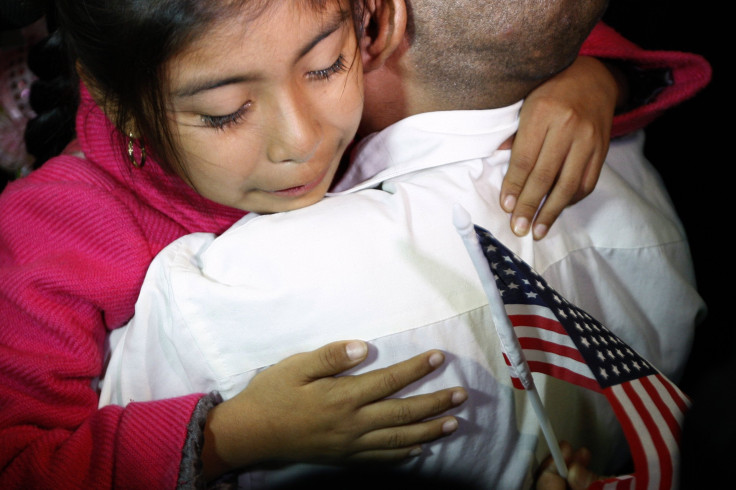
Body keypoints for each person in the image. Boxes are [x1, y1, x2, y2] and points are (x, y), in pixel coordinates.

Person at [0, 0, 710, 488]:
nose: (304, 139)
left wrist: (591, 78)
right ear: (118, 100)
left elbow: (499, 30)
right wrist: (231, 436)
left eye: (326, 65)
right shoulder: (49, 235)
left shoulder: (325, 45)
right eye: (225, 114)